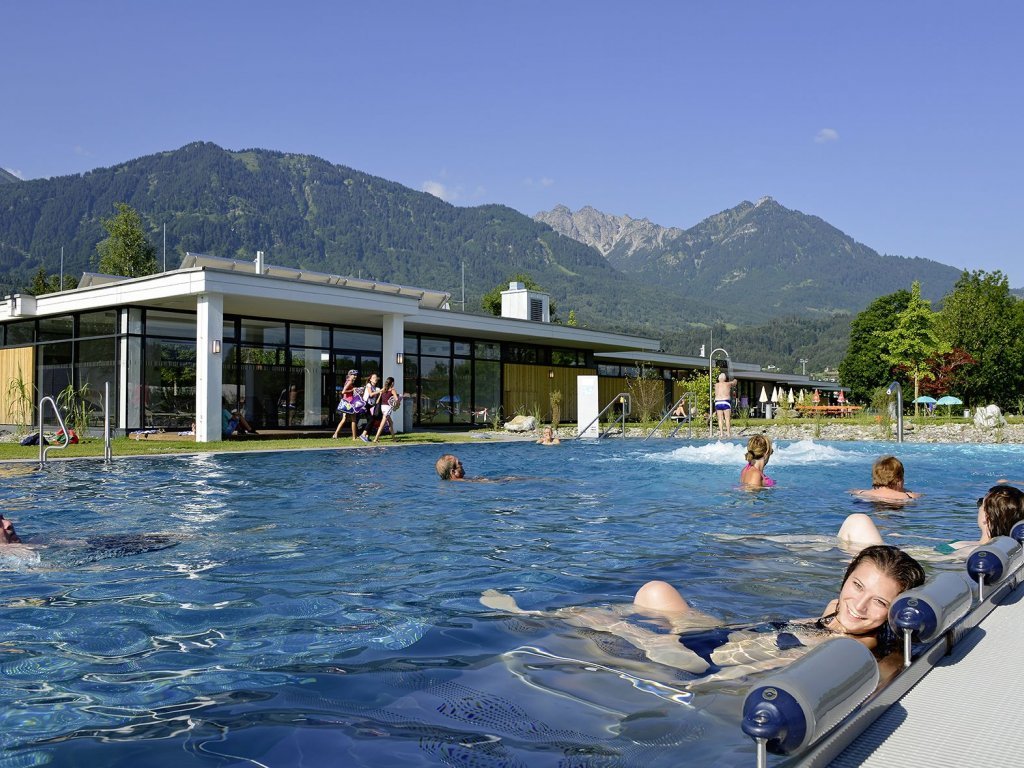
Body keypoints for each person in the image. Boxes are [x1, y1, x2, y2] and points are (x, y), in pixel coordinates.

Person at [483, 545, 925, 680]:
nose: (859, 605)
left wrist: (702, 678)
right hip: (733, 633)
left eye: (880, 603)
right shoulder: (838, 612)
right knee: (656, 591)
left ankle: (533, 616)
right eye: (856, 586)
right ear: (845, 579)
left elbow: (772, 666)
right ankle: (550, 614)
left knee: (606, 627)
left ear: (895, 612)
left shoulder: (851, 650)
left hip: (710, 661)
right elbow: (839, 610)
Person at [839, 484, 1024, 556]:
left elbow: (931, 558)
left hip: (895, 558)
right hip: (904, 550)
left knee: (858, 520)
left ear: (987, 518)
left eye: (980, 504)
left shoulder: (974, 552)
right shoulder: (981, 545)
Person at [850, 455, 920, 503]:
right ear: (899, 479)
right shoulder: (908, 496)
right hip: (896, 509)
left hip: (868, 503)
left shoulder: (861, 493)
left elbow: (851, 491)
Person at [332, 370, 363, 440]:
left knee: (344, 419)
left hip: (346, 402)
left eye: (356, 375)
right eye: (354, 375)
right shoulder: (350, 381)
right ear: (350, 375)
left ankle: (335, 434)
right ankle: (354, 437)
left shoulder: (348, 381)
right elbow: (343, 391)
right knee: (354, 420)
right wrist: (352, 390)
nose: (355, 376)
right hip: (349, 403)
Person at [372, 377, 403, 442]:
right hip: (387, 408)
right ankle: (375, 439)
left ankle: (394, 439)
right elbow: (396, 399)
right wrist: (398, 404)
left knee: (391, 423)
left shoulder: (383, 389)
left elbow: (379, 399)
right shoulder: (392, 390)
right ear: (392, 383)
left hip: (382, 407)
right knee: (382, 425)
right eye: (393, 382)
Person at [358, 373, 382, 442]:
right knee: (371, 419)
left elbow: (377, 401)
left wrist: (380, 394)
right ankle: (363, 435)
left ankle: (367, 437)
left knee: (372, 420)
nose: (375, 378)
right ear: (370, 379)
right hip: (365, 404)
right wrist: (379, 391)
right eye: (374, 377)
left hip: (371, 406)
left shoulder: (377, 388)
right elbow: (371, 394)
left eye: (376, 377)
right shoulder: (369, 385)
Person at [714, 372, 737, 438]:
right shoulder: (728, 384)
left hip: (718, 402)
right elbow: (734, 383)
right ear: (725, 378)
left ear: (719, 379)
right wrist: (735, 380)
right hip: (725, 401)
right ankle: (728, 433)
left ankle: (721, 433)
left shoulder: (716, 385)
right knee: (727, 418)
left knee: (720, 419)